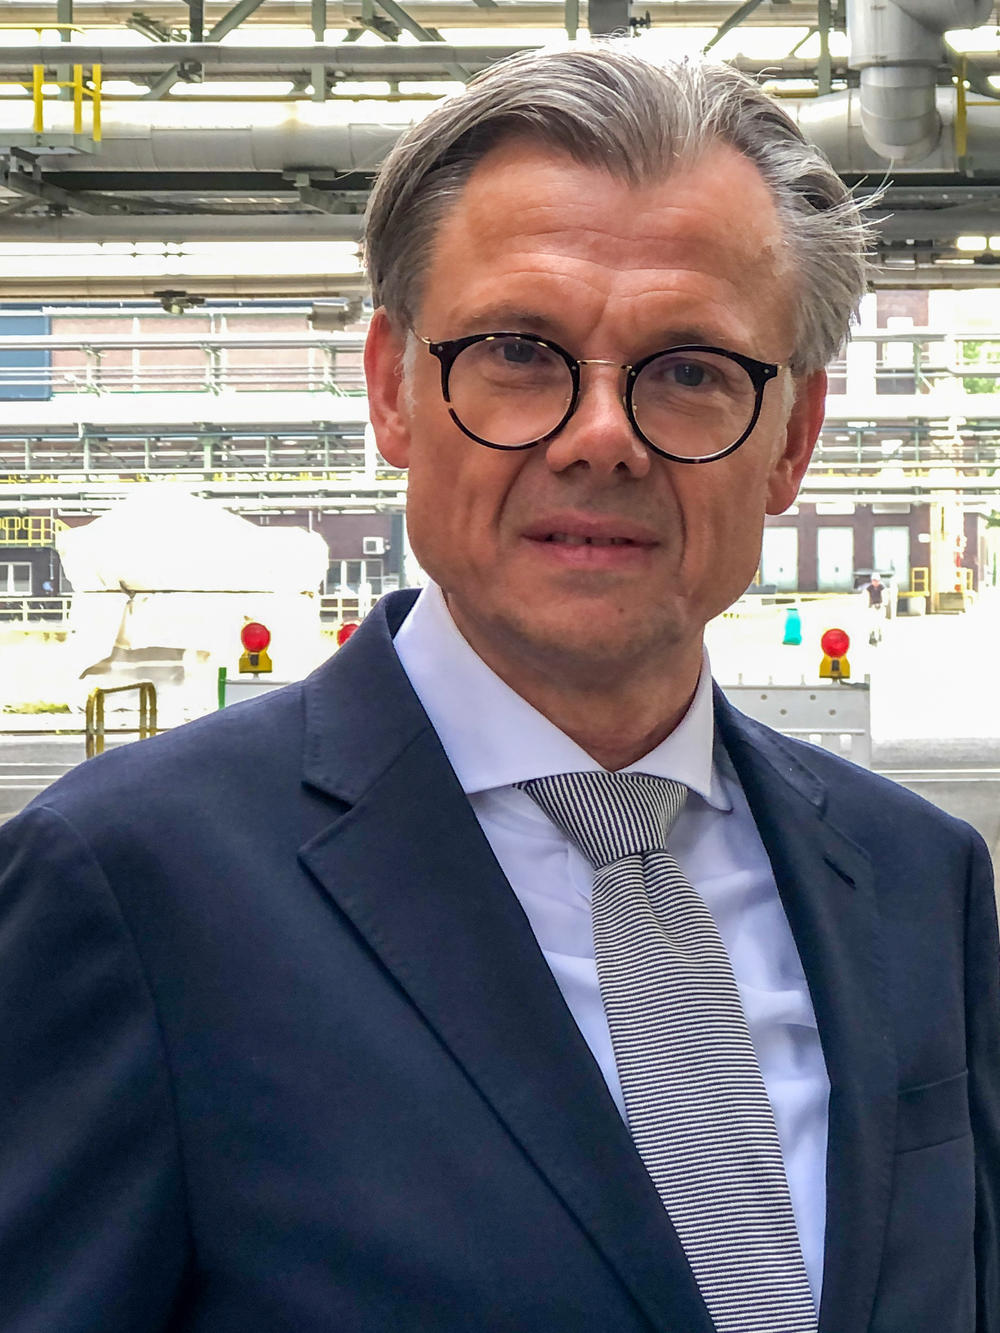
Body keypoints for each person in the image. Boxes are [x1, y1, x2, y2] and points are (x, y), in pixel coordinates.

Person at [1, 45, 997, 1333]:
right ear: (393, 393)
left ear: (792, 440)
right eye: (522, 351)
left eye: (691, 369)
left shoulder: (916, 880)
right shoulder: (131, 890)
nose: (600, 435)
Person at [862, 571, 885, 644]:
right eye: (874, 580)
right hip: (872, 607)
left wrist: (883, 604)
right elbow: (866, 597)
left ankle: (880, 635)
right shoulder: (869, 588)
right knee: (872, 622)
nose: (875, 582)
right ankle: (871, 636)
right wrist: (868, 605)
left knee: (880, 622)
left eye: (877, 581)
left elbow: (885, 597)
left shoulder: (882, 588)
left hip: (880, 607)